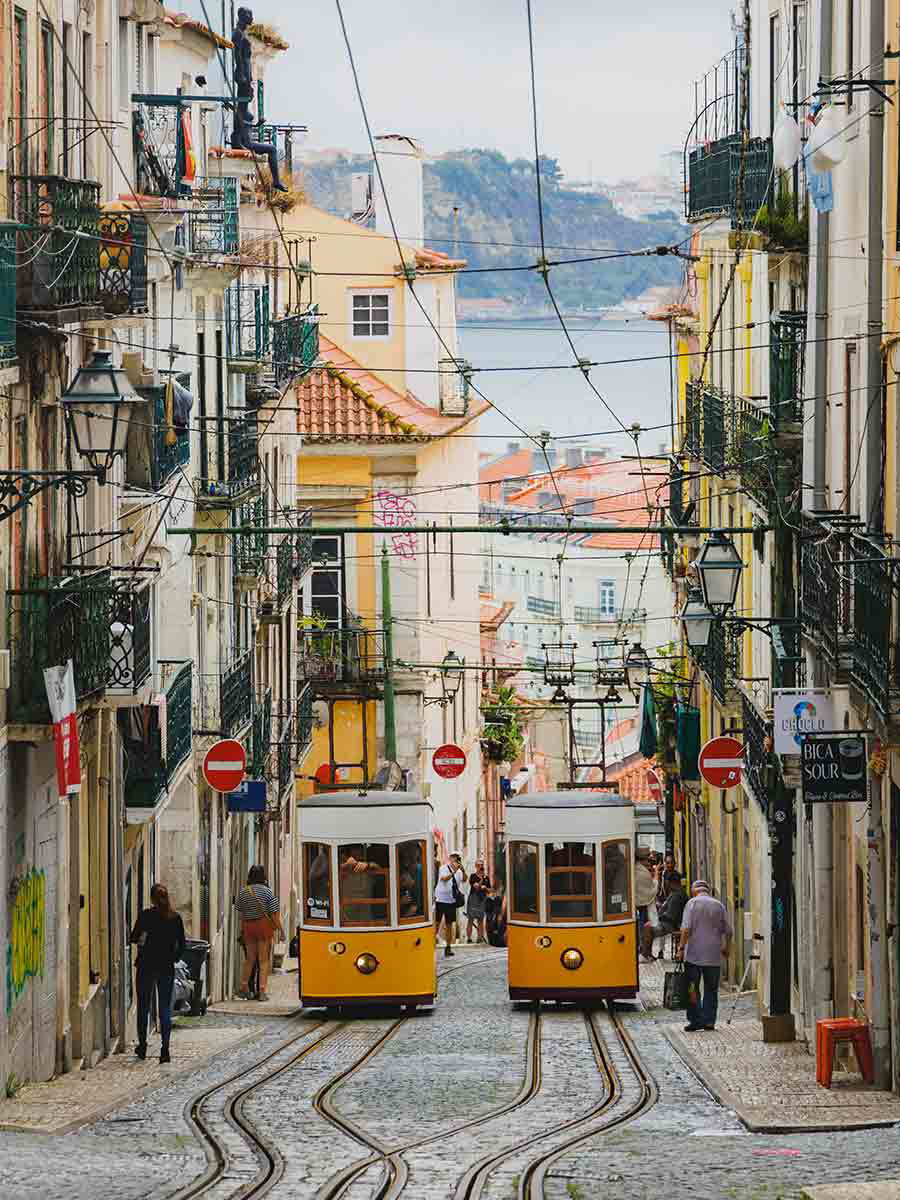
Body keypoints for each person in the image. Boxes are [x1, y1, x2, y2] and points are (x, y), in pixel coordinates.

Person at [130, 883, 186, 1063]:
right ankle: (165, 1049)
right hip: (166, 968)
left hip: (146, 966)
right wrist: (174, 958)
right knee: (164, 1009)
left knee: (144, 1007)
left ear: (152, 899)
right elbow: (182, 945)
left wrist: (143, 939)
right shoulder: (175, 918)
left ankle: (143, 1045)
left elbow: (133, 937)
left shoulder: (146, 916)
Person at [678, 880, 733, 1032]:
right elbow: (729, 931)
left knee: (692, 988)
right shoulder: (719, 905)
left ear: (694, 891)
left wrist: (681, 948)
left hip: (693, 955)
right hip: (713, 956)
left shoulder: (691, 904)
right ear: (707, 891)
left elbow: (686, 928)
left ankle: (695, 1020)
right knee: (711, 989)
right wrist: (726, 948)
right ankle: (709, 1021)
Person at [236, 865, 284, 1002]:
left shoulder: (243, 892)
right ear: (263, 876)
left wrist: (243, 930)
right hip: (263, 927)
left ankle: (245, 988)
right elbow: (274, 914)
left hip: (248, 927)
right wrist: (281, 931)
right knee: (263, 961)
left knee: (249, 959)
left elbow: (241, 912)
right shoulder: (268, 892)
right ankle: (262, 991)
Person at [640, 871, 687, 961]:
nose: (667, 885)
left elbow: (670, 916)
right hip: (669, 922)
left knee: (647, 927)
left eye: (667, 883)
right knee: (648, 925)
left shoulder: (677, 896)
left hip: (670, 924)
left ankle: (645, 954)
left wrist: (657, 918)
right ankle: (648, 954)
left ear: (671, 883)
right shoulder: (676, 893)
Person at [434, 851, 465, 957]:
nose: (455, 859)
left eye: (457, 857)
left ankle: (448, 947)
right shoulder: (443, 868)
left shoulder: (459, 871)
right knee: (437, 923)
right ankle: (431, 943)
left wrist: (462, 870)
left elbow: (465, 879)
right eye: (453, 857)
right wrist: (454, 871)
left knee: (449, 924)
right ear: (450, 858)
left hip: (452, 901)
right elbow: (444, 879)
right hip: (441, 899)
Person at [466, 861, 491, 944]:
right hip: (474, 898)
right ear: (476, 866)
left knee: (481, 919)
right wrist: (481, 880)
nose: (480, 867)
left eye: (482, 865)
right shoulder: (473, 876)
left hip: (482, 899)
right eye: (478, 865)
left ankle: (479, 938)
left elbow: (490, 890)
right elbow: (475, 887)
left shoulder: (486, 877)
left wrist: (486, 888)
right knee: (471, 919)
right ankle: (469, 938)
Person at [634, 847, 658, 932]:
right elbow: (651, 891)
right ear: (643, 859)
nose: (649, 862)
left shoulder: (637, 868)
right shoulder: (642, 872)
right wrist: (656, 874)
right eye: (648, 859)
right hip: (642, 907)